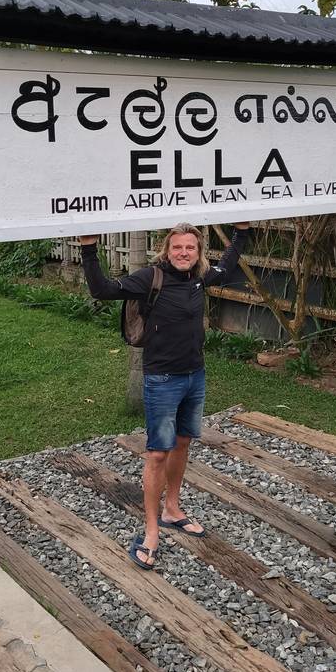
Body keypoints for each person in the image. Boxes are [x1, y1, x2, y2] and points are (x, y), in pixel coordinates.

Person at [79, 221, 250, 569]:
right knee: (157, 454)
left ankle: (173, 509)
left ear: (198, 251)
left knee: (183, 443)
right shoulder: (150, 278)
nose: (184, 253)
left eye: (190, 247)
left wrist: (242, 231)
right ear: (167, 250)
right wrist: (88, 248)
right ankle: (151, 531)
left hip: (194, 376)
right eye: (177, 248)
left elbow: (229, 263)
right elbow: (102, 289)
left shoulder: (201, 277)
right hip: (162, 380)